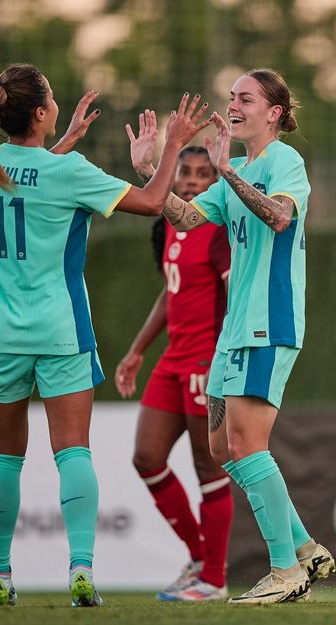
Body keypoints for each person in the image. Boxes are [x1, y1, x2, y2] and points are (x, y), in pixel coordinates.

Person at [0, 63, 210, 607]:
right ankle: (80, 570)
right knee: (72, 452)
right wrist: (172, 145)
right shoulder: (70, 172)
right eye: (51, 97)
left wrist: (65, 143)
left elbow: (24, 183)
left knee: (4, 457)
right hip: (59, 333)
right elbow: (151, 204)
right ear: (40, 112)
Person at [128, 68, 336, 605]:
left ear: (273, 113)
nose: (234, 105)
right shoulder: (234, 170)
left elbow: (281, 218)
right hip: (235, 330)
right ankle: (305, 547)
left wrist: (227, 172)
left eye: (246, 99)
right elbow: (183, 219)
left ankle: (286, 571)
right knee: (222, 448)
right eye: (232, 98)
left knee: (248, 445)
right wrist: (153, 168)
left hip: (271, 321)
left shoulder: (284, 161)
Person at [115, 145, 234, 601]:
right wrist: (136, 351)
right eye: (185, 172)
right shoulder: (169, 224)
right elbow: (171, 292)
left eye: (203, 175)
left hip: (207, 361)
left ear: (214, 183)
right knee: (146, 456)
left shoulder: (218, 230)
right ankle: (200, 557)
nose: (191, 181)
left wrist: (222, 362)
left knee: (209, 466)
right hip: (172, 359)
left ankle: (215, 581)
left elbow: (233, 293)